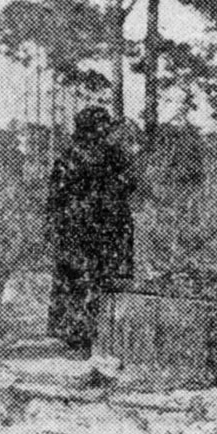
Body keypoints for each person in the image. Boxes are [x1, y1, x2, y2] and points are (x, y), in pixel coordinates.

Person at [46, 106, 136, 357]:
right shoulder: (74, 156)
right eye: (101, 124)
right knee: (81, 282)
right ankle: (80, 340)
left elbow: (130, 184)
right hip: (82, 229)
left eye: (106, 124)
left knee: (97, 281)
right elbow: (57, 195)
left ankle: (95, 339)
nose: (105, 128)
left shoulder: (111, 154)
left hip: (103, 229)